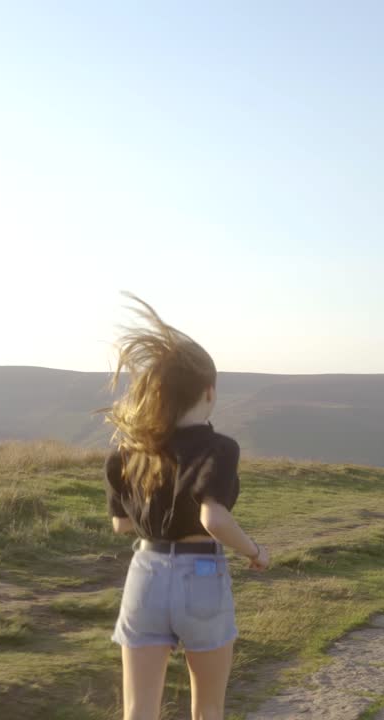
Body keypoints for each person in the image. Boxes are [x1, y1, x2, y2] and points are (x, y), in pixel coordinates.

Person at [101, 294, 270, 720]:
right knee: (208, 708)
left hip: (146, 573)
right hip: (201, 574)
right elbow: (213, 518)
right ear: (209, 390)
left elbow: (122, 526)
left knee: (138, 710)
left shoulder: (128, 453)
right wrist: (254, 551)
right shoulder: (219, 448)